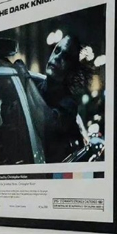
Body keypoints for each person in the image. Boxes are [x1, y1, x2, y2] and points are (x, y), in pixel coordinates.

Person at [32, 34, 92, 162]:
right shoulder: (34, 86)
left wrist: (25, 79)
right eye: (57, 51)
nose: (57, 58)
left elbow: (46, 123)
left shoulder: (69, 105)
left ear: (71, 71)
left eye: (66, 57)